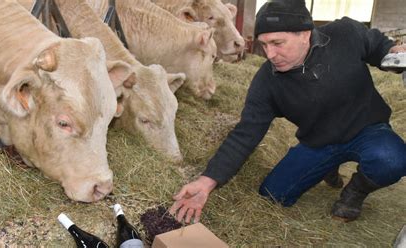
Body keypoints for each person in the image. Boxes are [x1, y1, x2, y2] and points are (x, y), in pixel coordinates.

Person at [170, 0, 406, 223]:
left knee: (392, 159)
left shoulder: (345, 33)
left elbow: (379, 46)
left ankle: (356, 191)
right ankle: (328, 167)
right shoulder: (267, 81)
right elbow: (245, 135)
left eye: (277, 43)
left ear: (304, 34)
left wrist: (395, 51)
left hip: (367, 130)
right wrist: (206, 181)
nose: (269, 54)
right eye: (264, 45)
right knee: (274, 195)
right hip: (319, 143)